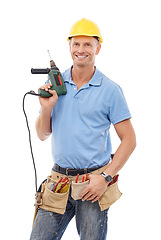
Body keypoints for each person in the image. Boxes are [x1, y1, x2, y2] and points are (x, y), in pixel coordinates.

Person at [30, 18, 136, 240]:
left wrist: (105, 177)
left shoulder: (110, 90)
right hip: (57, 182)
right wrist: (47, 109)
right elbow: (41, 134)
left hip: (92, 185)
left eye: (88, 44)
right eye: (76, 44)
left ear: (98, 47)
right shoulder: (57, 85)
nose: (81, 50)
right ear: (69, 46)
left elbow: (129, 140)